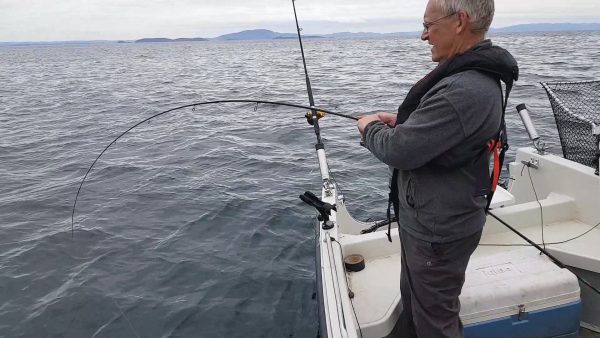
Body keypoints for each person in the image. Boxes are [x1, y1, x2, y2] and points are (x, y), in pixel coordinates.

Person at [357, 0, 519, 337]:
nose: (423, 35)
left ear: (459, 21)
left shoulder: (464, 88)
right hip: (435, 220)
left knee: (435, 321)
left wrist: (370, 128)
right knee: (420, 305)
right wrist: (405, 123)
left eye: (428, 25)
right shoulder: (470, 80)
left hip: (438, 231)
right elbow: (447, 135)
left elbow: (399, 150)